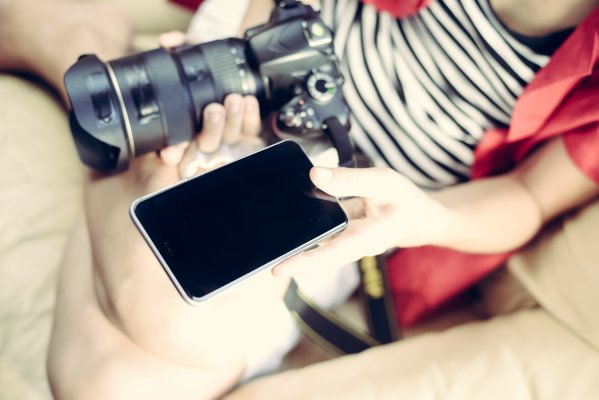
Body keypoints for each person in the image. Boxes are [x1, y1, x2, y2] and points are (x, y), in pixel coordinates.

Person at [42, 0, 599, 399]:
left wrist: (429, 217)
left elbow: (528, 197)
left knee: (109, 383)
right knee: (168, 325)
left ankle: (121, 158)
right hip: (240, 86)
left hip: (334, 211)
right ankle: (134, 158)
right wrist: (247, 41)